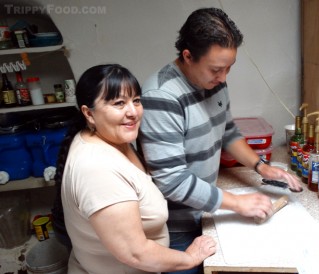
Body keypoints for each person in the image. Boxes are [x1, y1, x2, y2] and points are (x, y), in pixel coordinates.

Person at [138, 8, 302, 274]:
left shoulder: (215, 83)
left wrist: (261, 166)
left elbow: (227, 131)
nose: (224, 78)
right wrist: (238, 203)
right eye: (216, 69)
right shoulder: (162, 96)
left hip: (207, 211)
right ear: (188, 56)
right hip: (178, 227)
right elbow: (172, 181)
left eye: (229, 68)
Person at [51, 64, 216, 274]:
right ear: (89, 113)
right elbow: (135, 253)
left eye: (136, 101)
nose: (132, 112)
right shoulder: (97, 169)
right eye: (119, 103)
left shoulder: (114, 139)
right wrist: (190, 258)